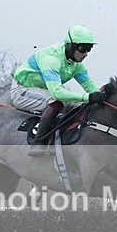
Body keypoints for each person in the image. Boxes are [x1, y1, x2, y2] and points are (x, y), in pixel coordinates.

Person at [11, 25, 108, 155]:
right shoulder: (51, 59)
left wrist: (105, 92)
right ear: (70, 46)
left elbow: (90, 88)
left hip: (44, 90)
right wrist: (87, 97)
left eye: (89, 49)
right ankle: (38, 143)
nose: (86, 54)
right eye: (83, 49)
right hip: (22, 90)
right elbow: (57, 93)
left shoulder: (76, 65)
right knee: (56, 102)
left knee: (79, 106)